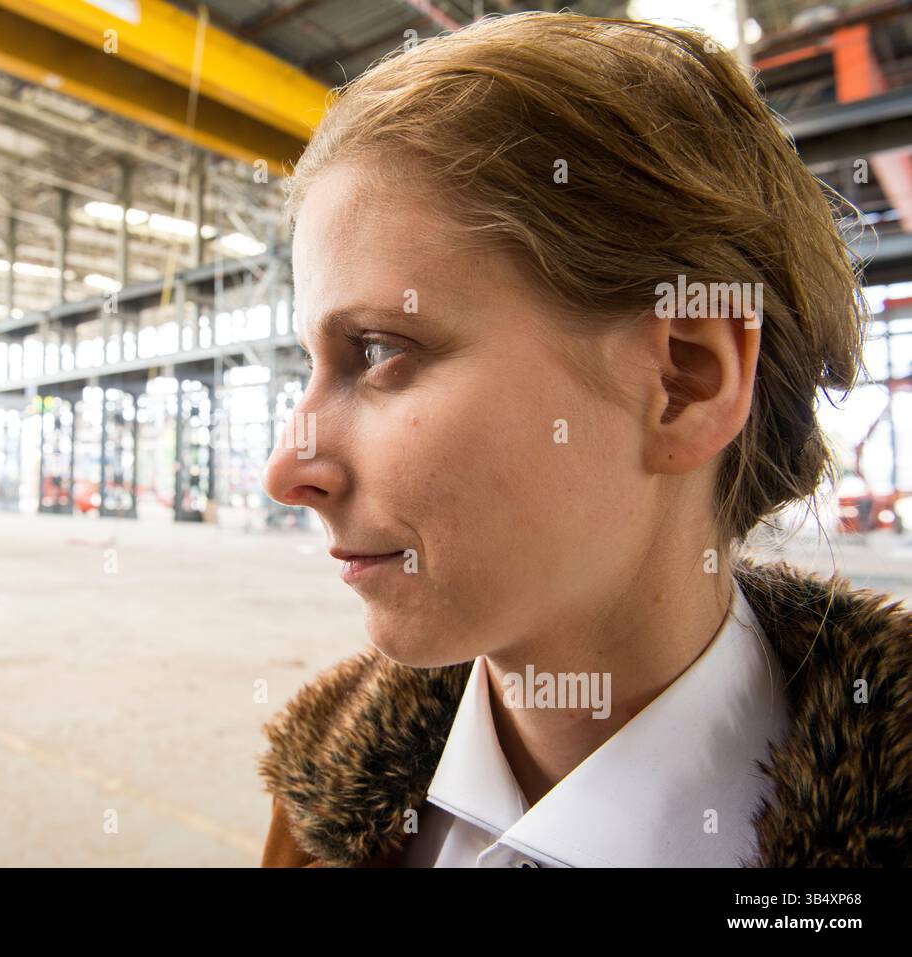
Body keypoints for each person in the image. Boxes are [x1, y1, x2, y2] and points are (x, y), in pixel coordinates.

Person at [257, 12, 911, 867]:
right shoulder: (314, 814)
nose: (286, 469)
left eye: (379, 351)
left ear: (685, 381)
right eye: (310, 362)